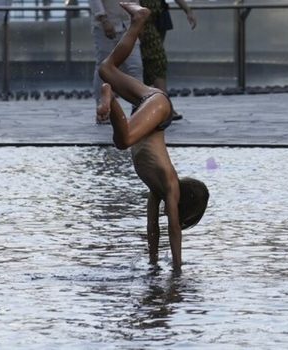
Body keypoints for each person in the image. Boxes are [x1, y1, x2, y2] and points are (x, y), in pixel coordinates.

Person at [96, 2, 209, 271]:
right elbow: (171, 228)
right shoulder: (170, 186)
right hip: (159, 107)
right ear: (186, 205)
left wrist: (154, 262)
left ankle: (138, 19)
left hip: (152, 102)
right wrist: (178, 269)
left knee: (106, 68)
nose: (175, 216)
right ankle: (109, 99)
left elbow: (152, 228)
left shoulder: (155, 191)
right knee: (123, 141)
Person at [139, 0, 196, 120]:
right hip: (144, 20)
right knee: (157, 59)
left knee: (152, 61)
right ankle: (164, 106)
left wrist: (188, 10)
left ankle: (154, 104)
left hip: (158, 16)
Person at [92, 0, 144, 124]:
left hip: (128, 24)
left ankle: (139, 107)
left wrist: (140, 22)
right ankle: (103, 109)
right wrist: (103, 18)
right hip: (107, 23)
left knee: (135, 67)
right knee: (104, 67)